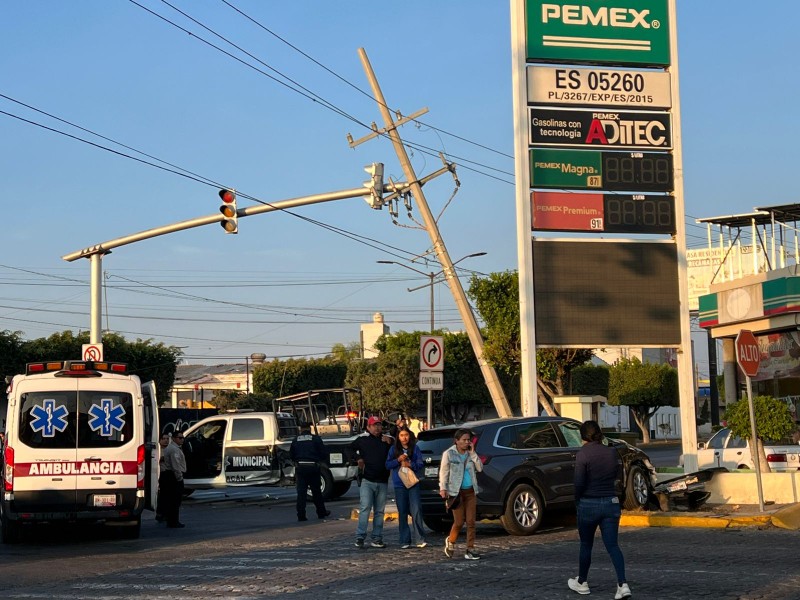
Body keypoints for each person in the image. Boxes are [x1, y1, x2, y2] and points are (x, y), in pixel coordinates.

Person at [568, 420, 631, 599]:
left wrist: (577, 501)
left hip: (589, 503)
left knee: (586, 544)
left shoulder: (583, 455)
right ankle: (622, 584)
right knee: (613, 546)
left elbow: (579, 482)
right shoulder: (611, 452)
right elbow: (618, 476)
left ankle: (582, 582)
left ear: (582, 436)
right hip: (610, 502)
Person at [439, 428, 482, 560]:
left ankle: (470, 549)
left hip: (470, 491)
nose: (466, 442)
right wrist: (443, 488)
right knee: (459, 522)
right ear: (456, 441)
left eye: (468, 440)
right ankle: (451, 542)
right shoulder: (449, 454)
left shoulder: (471, 454)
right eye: (464, 440)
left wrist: (473, 453)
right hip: (456, 492)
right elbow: (444, 471)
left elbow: (480, 468)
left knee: (471, 522)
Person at [350, 415, 392, 548]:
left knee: (379, 511)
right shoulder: (363, 440)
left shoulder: (386, 441)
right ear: (368, 427)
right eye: (374, 425)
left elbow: (399, 448)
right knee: (365, 508)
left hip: (383, 481)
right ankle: (360, 536)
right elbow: (348, 449)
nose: (377, 428)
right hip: (367, 480)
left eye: (379, 425)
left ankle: (377, 538)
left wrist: (391, 441)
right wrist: (358, 458)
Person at [385, 427, 426, 549]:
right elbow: (387, 465)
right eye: (402, 435)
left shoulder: (415, 448)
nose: (404, 437)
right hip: (399, 485)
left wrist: (410, 464)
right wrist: (398, 460)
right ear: (398, 437)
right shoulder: (393, 449)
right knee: (402, 512)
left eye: (406, 435)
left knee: (416, 510)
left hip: (413, 483)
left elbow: (420, 464)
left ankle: (420, 539)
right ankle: (404, 540)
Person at [290, 422, 331, 522]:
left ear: (300, 429)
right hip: (313, 467)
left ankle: (301, 515)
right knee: (316, 492)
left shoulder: (295, 440)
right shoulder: (316, 439)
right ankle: (321, 513)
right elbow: (323, 453)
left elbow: (291, 454)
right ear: (310, 428)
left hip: (300, 468)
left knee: (301, 493)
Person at [161, 431, 187, 529]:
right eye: (180, 438)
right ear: (175, 438)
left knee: (172, 500)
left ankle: (171, 520)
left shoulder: (174, 448)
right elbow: (175, 465)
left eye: (183, 437)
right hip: (173, 476)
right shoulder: (173, 450)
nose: (182, 439)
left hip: (171, 475)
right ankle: (173, 521)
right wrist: (179, 478)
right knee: (175, 501)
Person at [155, 432, 171, 522]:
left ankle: (165, 513)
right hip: (160, 474)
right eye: (164, 439)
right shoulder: (157, 450)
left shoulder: (170, 449)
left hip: (167, 473)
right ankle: (160, 513)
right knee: (162, 495)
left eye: (167, 439)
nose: (166, 441)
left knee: (166, 495)